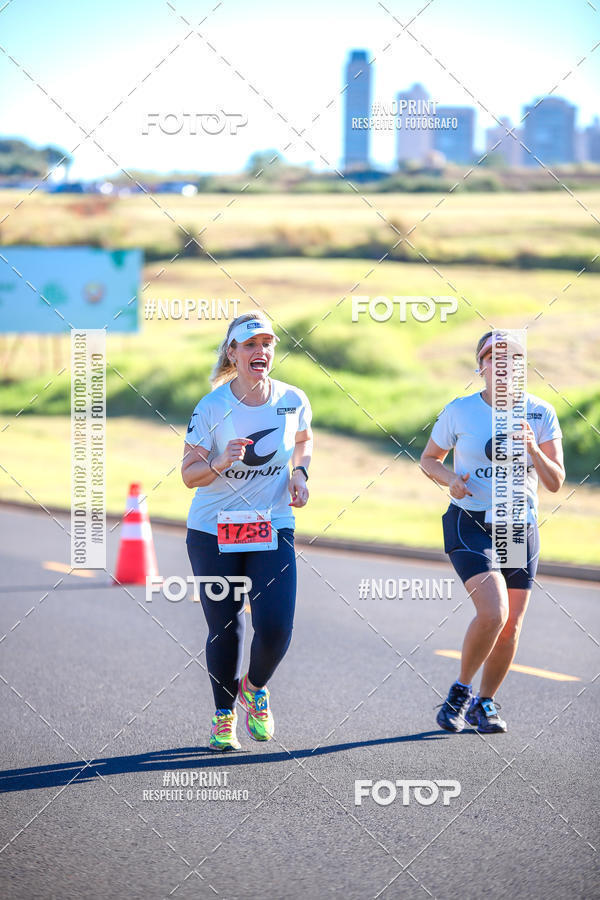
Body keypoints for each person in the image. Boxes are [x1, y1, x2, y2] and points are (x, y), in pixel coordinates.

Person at [420, 331, 565, 733]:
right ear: (480, 366)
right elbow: (429, 460)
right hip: (471, 522)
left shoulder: (540, 412)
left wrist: (535, 450)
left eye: (513, 359)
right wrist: (450, 479)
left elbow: (555, 482)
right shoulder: (460, 411)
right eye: (493, 358)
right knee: (494, 611)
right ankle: (460, 692)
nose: (503, 366)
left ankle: (486, 703)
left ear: (522, 367)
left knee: (512, 624)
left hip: (518, 526)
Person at [181, 313, 313, 750]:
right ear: (232, 353)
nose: (261, 352)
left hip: (272, 523)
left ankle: (254, 689)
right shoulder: (213, 406)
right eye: (250, 345)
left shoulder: (293, 399)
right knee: (226, 626)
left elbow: (305, 440)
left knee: (276, 625)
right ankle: (222, 717)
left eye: (267, 344)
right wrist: (221, 461)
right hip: (213, 530)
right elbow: (188, 474)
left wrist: (300, 474)